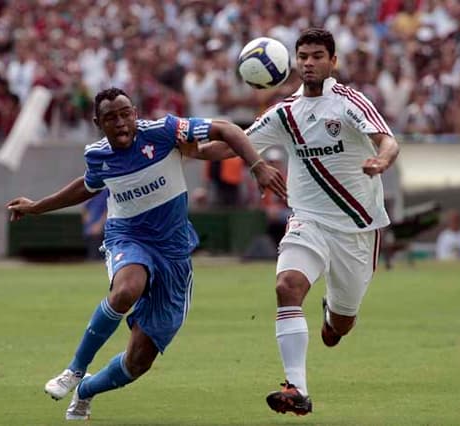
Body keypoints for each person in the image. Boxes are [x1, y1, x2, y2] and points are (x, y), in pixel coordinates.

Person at [6, 87, 286, 421]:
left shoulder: (165, 131)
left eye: (126, 113)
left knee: (138, 362)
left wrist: (256, 165)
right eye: (111, 118)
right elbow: (86, 186)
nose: (121, 123)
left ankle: (86, 391)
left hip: (173, 252)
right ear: (99, 123)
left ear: (135, 113)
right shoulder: (98, 154)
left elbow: (226, 129)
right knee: (126, 289)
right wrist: (37, 207)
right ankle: (74, 370)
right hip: (129, 237)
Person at [186, 28, 400, 415]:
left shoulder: (349, 102)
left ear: (332, 61)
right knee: (287, 285)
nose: (309, 63)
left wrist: (381, 161)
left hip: (357, 228)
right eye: (303, 56)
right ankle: (295, 388)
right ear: (294, 61)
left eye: (318, 56)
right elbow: (232, 144)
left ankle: (332, 318)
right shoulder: (285, 112)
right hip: (308, 221)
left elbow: (387, 139)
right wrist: (189, 148)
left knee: (339, 328)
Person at [81, 188, 108, 261]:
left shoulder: (106, 192)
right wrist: (88, 223)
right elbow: (85, 209)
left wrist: (99, 225)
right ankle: (92, 259)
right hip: (91, 226)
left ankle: (98, 260)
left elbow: (108, 211)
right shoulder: (91, 190)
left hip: (105, 226)